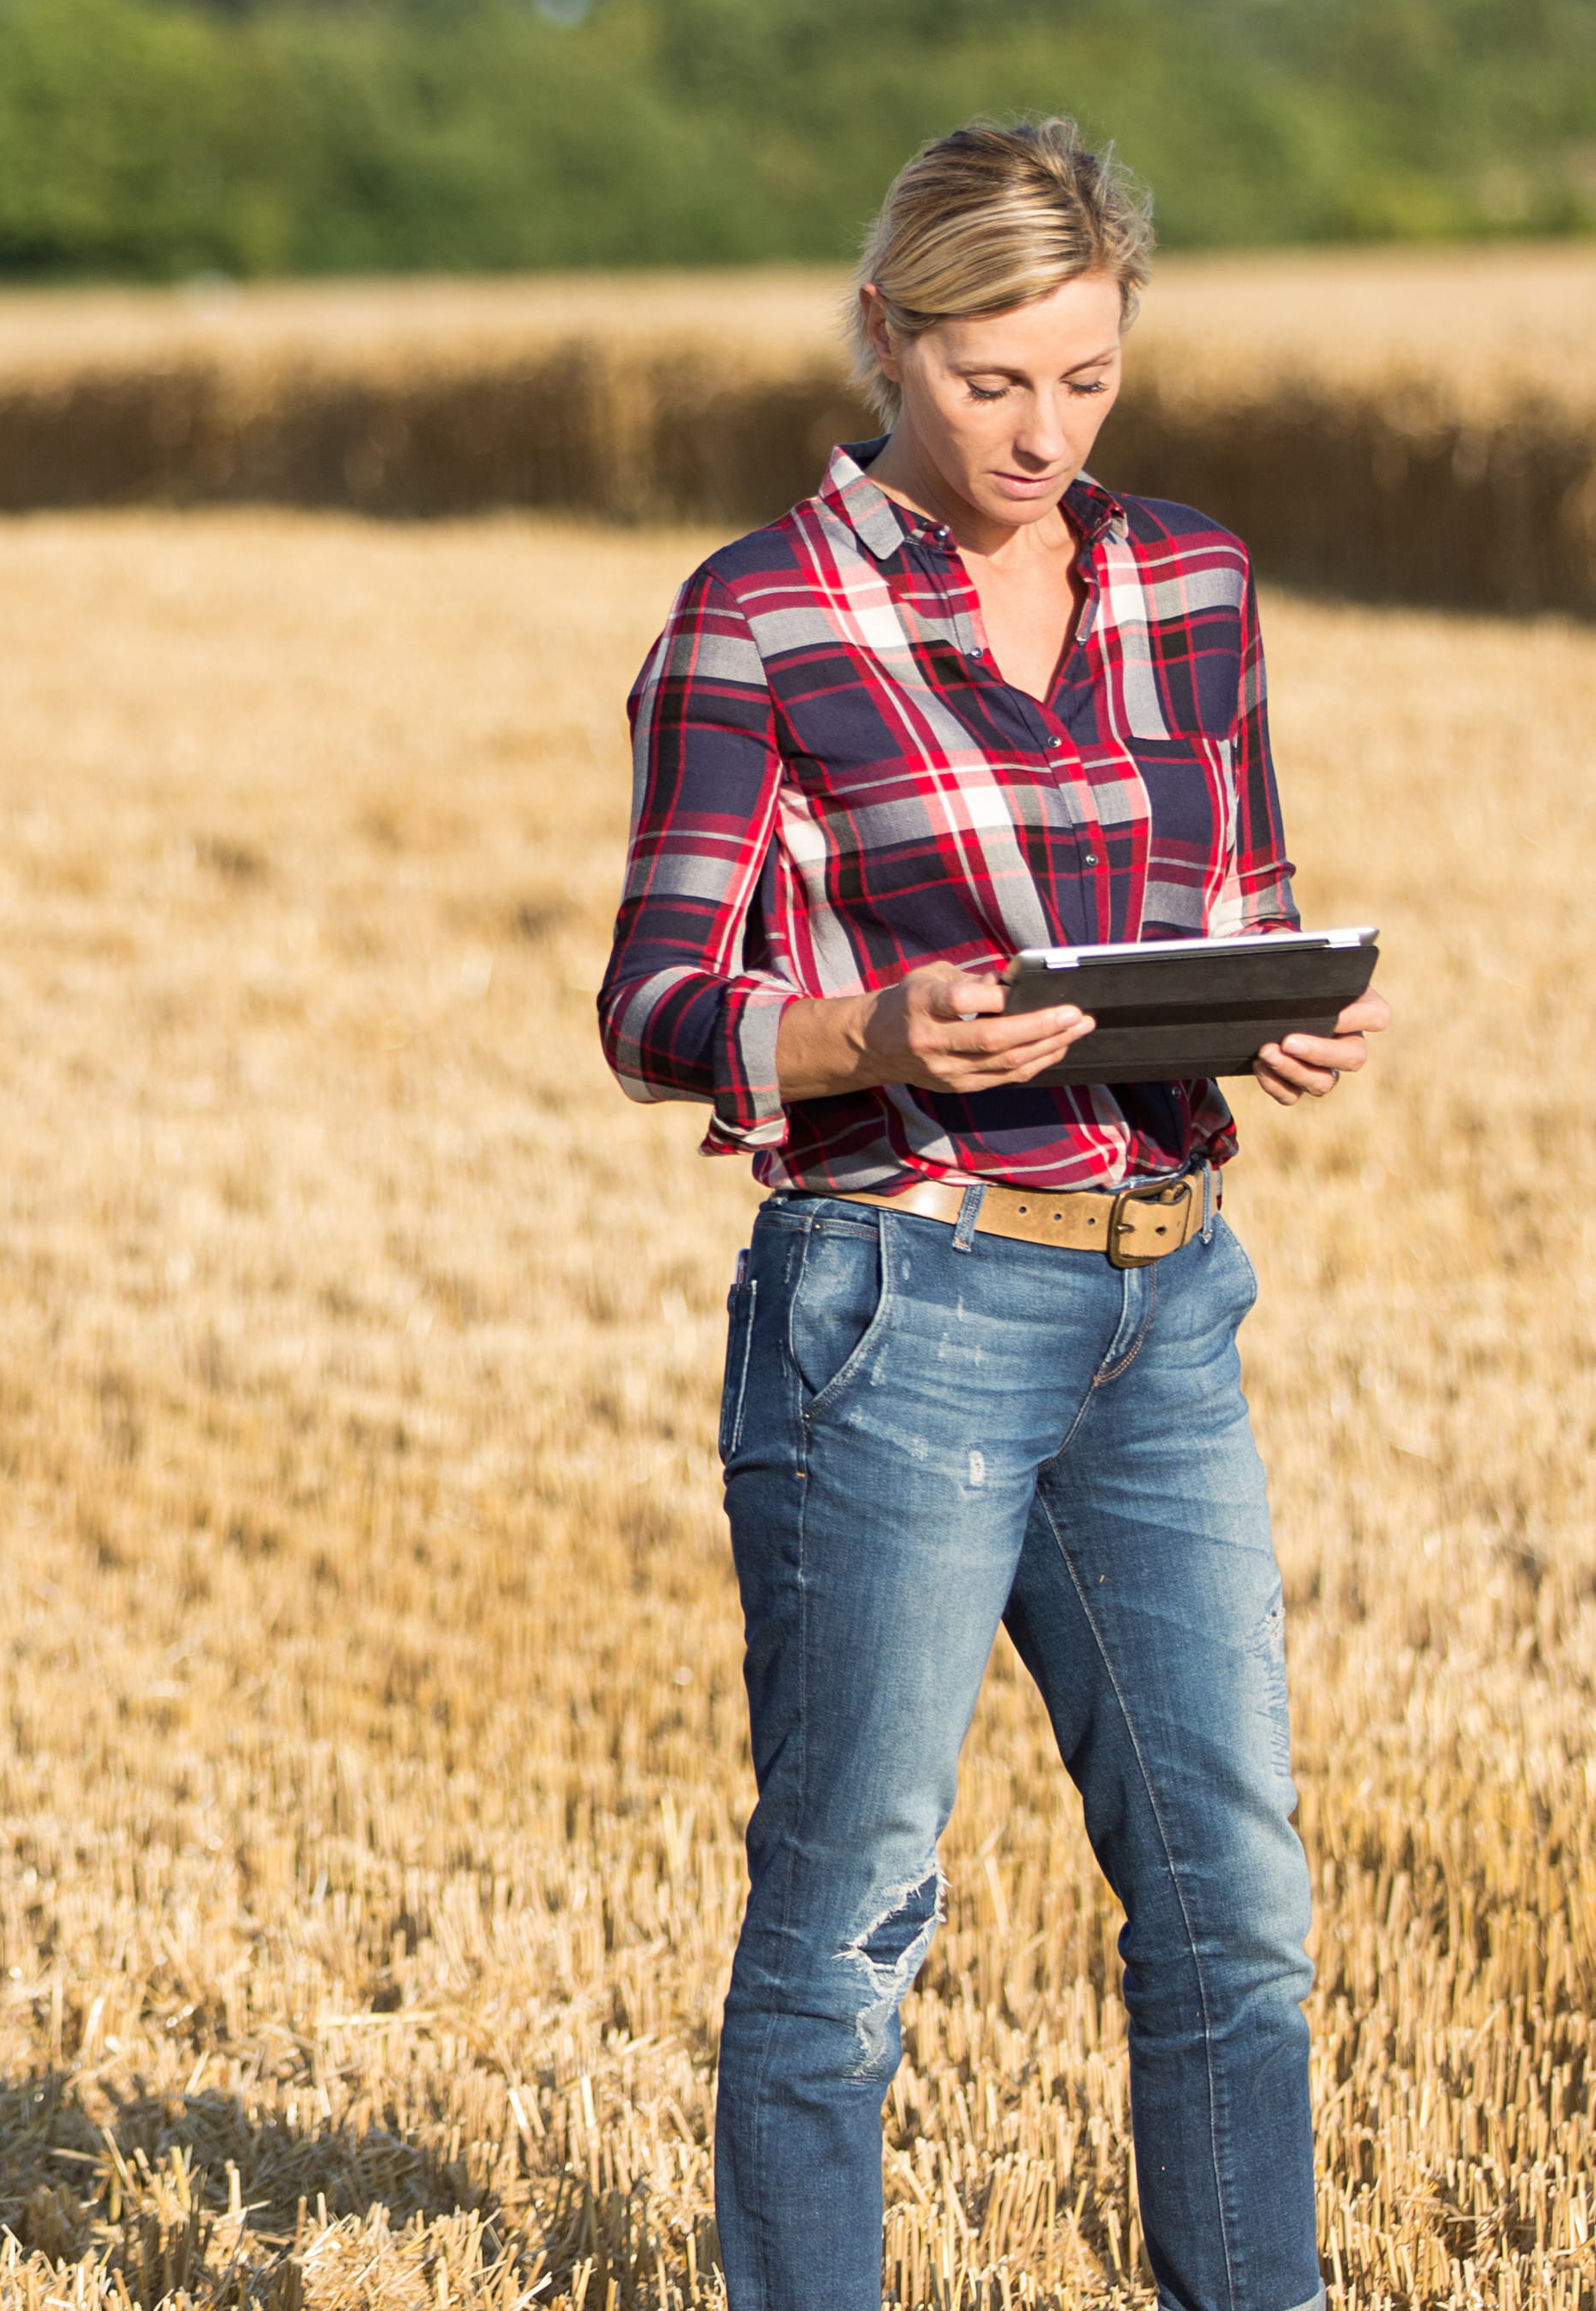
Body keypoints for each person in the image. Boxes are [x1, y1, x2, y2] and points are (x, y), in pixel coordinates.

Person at [594, 118, 1387, 2311]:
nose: (1046, 434)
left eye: (1089, 381)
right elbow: (659, 1004)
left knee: (1233, 1903)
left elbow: (1231, 902)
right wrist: (871, 1037)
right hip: (899, 1306)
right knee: (849, 1915)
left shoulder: (1193, 583)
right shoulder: (759, 618)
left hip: (1162, 1298)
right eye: (993, 384)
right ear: (887, 337)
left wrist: (1278, 1005)